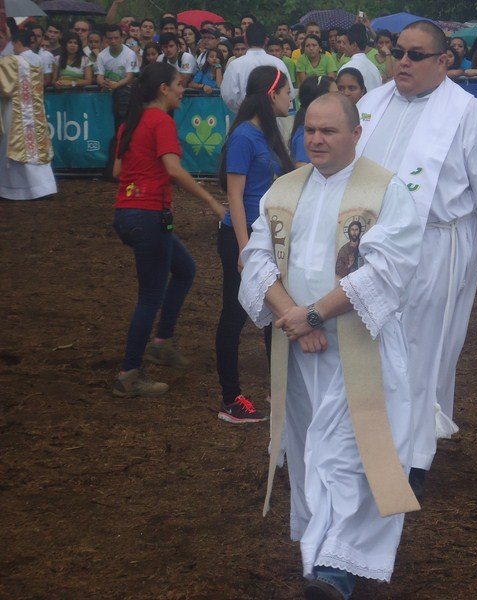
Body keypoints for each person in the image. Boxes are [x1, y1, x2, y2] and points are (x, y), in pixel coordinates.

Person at [238, 92, 422, 600]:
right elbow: (255, 261)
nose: (316, 139)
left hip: (361, 348)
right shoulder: (283, 189)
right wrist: (293, 316)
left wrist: (314, 313)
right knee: (309, 450)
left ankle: (337, 566)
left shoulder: (385, 191)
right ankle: (323, 553)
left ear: (356, 134)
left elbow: (387, 269)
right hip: (301, 348)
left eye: (329, 131)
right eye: (309, 130)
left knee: (348, 454)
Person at [356, 21, 477, 492]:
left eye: (416, 55)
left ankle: (411, 456)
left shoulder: (466, 112)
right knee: (370, 342)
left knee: (421, 347)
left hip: (437, 245)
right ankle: (368, 440)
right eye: (398, 53)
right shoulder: (371, 105)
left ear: (443, 61)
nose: (404, 63)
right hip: (371, 247)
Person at [111, 63, 226, 397]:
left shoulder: (130, 122)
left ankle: (162, 343)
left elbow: (119, 170)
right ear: (163, 88)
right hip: (149, 215)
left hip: (127, 212)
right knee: (150, 295)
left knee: (185, 269)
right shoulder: (160, 121)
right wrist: (213, 202)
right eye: (178, 84)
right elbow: (174, 170)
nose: (182, 89)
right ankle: (128, 373)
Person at [212, 66, 294, 423]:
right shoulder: (245, 136)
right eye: (287, 92)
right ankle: (231, 400)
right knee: (234, 316)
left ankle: (282, 393)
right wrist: (245, 249)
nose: (292, 99)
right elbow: (234, 194)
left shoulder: (266, 134)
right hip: (240, 239)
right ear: (271, 95)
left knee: (271, 314)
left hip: (262, 238)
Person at [0, 26, 57, 200]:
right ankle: (43, 186)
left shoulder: (13, 61)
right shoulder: (38, 59)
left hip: (16, 110)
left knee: (15, 147)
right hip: (35, 109)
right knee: (37, 148)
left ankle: (15, 189)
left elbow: (5, 88)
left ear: (17, 42)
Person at [221, 22, 293, 113]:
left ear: (245, 39)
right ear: (266, 40)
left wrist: (242, 110)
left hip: (245, 116)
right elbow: (289, 93)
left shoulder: (235, 65)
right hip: (272, 118)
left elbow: (228, 96)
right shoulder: (278, 63)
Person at [95, 24, 139, 129]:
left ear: (122, 38)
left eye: (116, 38)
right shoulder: (101, 56)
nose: (113, 41)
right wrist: (102, 82)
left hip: (126, 96)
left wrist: (116, 85)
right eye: (110, 38)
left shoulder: (130, 54)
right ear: (106, 39)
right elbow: (99, 76)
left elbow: (130, 77)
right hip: (108, 95)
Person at [289, 75, 336, 166]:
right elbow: (302, 172)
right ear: (319, 99)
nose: (340, 99)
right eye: (335, 95)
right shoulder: (304, 137)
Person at [336, 23, 381, 92]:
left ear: (354, 45)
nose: (343, 46)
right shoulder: (374, 68)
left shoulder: (346, 69)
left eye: (346, 43)